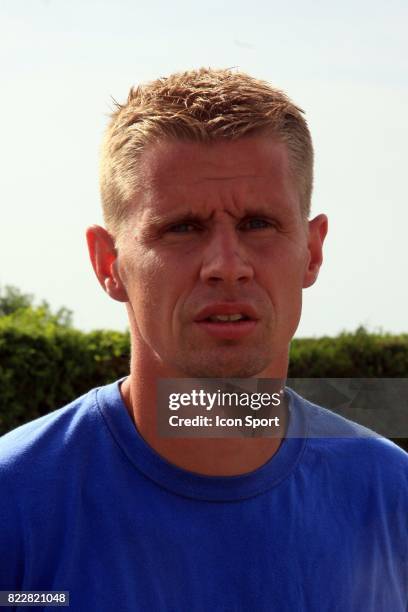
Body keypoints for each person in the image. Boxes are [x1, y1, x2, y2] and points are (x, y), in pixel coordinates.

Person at [0, 67, 407, 611]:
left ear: (312, 251)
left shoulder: (391, 497)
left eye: (259, 224)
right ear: (108, 263)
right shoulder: (15, 505)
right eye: (182, 228)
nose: (227, 266)